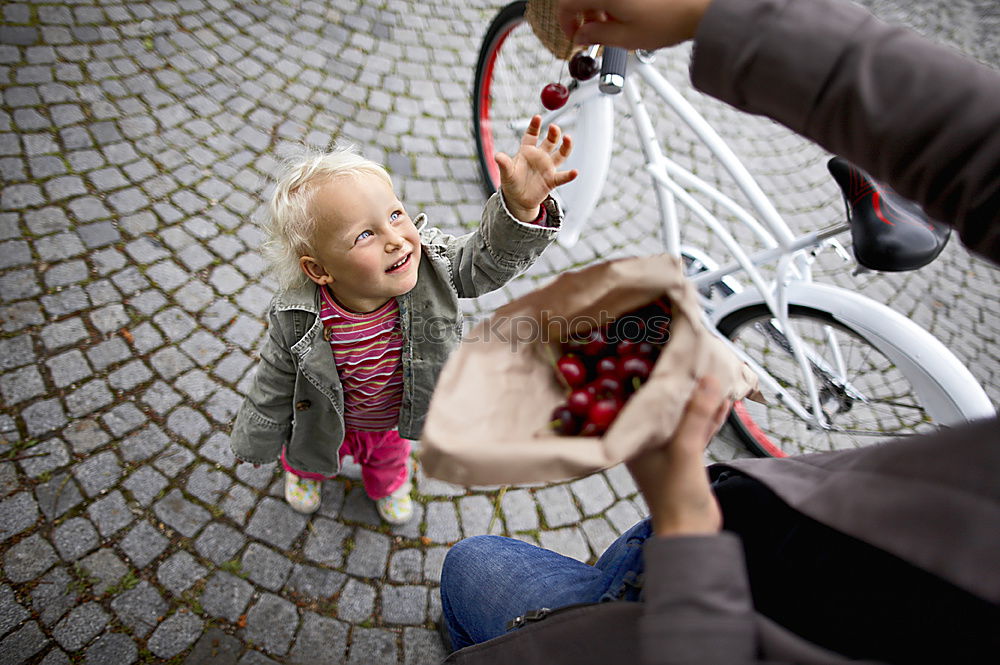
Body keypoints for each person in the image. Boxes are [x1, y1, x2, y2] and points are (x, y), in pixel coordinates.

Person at [438, 0, 1000, 661]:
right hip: (745, 521)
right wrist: (712, 15)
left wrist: (678, 497)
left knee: (468, 565)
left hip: (675, 601)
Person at [230, 116, 577, 522]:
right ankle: (304, 471)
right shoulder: (297, 316)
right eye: (364, 235)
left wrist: (518, 209)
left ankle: (390, 482)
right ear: (319, 270)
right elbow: (274, 379)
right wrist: (257, 438)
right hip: (326, 416)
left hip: (393, 419)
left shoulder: (431, 266)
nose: (395, 239)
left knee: (389, 461)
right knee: (310, 448)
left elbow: (484, 260)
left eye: (395, 215)